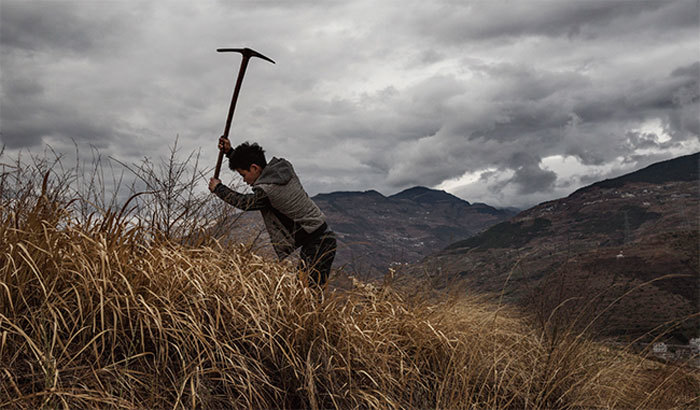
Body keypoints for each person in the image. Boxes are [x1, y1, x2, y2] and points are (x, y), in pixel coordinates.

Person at [209, 137, 336, 289]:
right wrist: (230, 152)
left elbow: (244, 203)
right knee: (305, 292)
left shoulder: (268, 191)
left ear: (255, 168)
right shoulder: (282, 170)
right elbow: (251, 163)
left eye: (243, 175)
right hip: (321, 239)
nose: (244, 180)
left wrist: (218, 188)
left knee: (307, 294)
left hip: (317, 242)